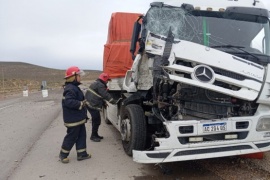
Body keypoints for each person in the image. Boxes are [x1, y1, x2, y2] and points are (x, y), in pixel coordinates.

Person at [59, 66, 91, 163]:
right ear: (74, 77)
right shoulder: (70, 88)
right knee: (72, 136)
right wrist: (81, 103)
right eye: (79, 76)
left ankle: (82, 154)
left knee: (81, 135)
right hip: (73, 120)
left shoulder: (74, 87)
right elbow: (69, 102)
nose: (80, 77)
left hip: (78, 119)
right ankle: (63, 154)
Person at [85, 72, 118, 142]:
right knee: (96, 121)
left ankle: (95, 134)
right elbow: (105, 95)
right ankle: (93, 136)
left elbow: (98, 95)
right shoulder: (100, 85)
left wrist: (103, 103)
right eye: (107, 80)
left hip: (91, 104)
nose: (107, 82)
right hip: (92, 105)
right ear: (104, 79)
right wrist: (114, 102)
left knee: (96, 120)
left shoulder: (97, 83)